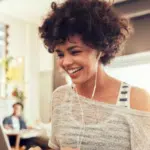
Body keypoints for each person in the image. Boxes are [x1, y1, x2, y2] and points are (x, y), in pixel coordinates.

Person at [39, 0, 150, 150]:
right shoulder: (60, 97)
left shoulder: (136, 99)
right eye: (60, 54)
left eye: (75, 51)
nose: (65, 62)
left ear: (101, 49)